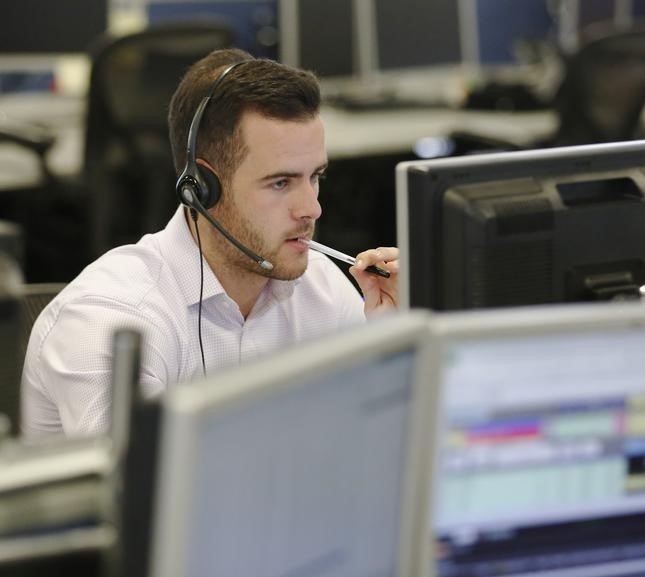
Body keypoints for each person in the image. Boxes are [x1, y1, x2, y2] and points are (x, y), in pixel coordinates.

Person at [21, 48, 399, 437]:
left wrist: (394, 352)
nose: (312, 208)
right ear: (203, 188)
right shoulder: (110, 321)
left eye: (315, 177)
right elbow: (150, 491)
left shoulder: (321, 288)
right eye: (281, 183)